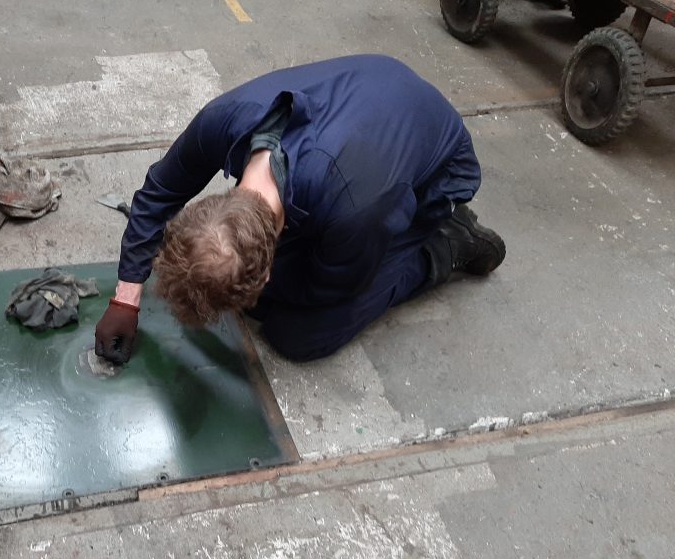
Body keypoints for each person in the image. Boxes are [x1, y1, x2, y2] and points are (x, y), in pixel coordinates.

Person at [94, 55, 505, 364]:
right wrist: (126, 296)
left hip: (437, 175)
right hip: (370, 106)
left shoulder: (356, 211)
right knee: (250, 297)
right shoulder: (220, 123)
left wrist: (259, 293)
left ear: (268, 269)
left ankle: (448, 244)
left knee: (298, 336)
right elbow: (159, 192)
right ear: (212, 206)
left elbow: (333, 286)